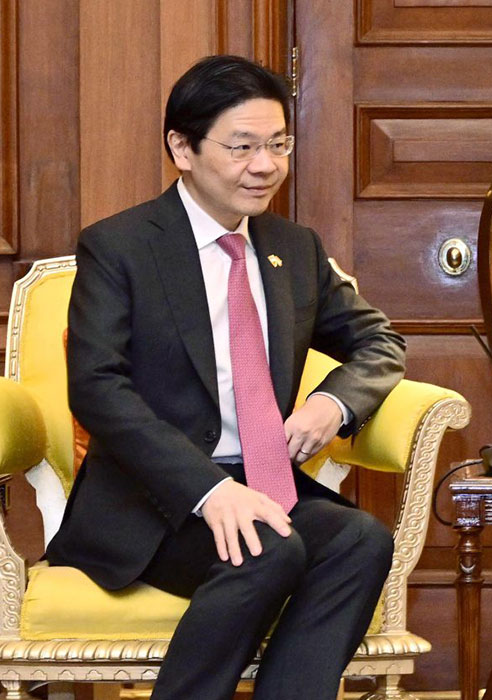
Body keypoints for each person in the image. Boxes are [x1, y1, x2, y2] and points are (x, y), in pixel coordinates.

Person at [44, 55, 407, 700]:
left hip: (266, 484)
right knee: (269, 548)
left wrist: (334, 405)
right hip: (157, 500)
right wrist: (210, 492)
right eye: (242, 147)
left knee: (359, 538)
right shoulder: (121, 246)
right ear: (181, 148)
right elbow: (98, 387)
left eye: (277, 144)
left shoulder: (293, 248)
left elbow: (379, 341)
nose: (265, 165)